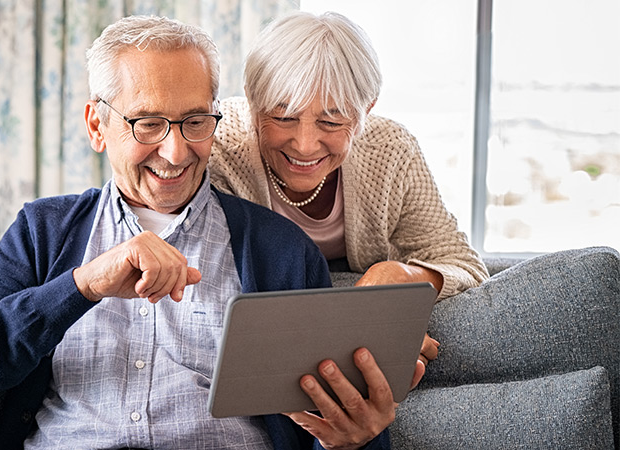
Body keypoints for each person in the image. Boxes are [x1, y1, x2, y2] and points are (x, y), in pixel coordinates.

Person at [0, 15, 400, 450]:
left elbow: (334, 423)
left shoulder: (279, 250)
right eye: (148, 124)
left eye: (195, 122)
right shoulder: (43, 230)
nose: (175, 152)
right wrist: (83, 286)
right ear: (98, 125)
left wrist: (354, 440)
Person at [209, 11, 489, 370]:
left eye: (331, 121)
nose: (305, 145)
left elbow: (465, 265)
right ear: (251, 101)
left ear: (365, 112)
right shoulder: (221, 146)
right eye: (283, 117)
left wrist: (402, 277)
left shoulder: (390, 150)